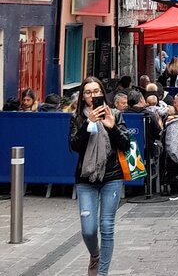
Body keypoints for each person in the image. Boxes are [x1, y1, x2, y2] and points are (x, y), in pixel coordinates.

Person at [69, 77, 130, 276]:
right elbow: (74, 146)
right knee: (88, 229)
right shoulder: (77, 118)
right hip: (86, 179)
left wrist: (111, 127)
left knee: (106, 226)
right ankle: (95, 254)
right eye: (88, 92)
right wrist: (89, 124)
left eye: (96, 91)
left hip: (111, 176)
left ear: (102, 93)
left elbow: (126, 145)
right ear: (83, 97)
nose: (93, 96)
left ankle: (101, 273)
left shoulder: (116, 114)